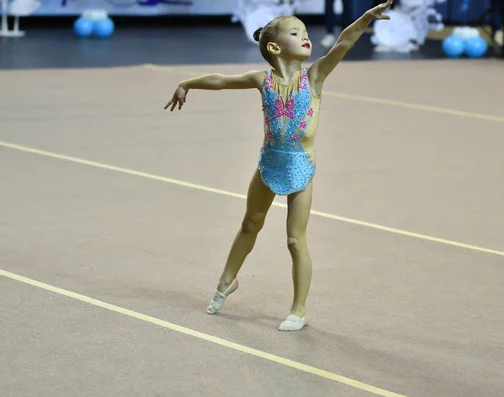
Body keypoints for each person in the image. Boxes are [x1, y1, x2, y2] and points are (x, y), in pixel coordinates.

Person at [163, 0, 393, 331]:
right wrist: (188, 83)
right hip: (269, 164)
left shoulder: (314, 77)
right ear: (274, 47)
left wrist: (365, 19)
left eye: (305, 31)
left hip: (301, 169)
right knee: (249, 225)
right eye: (295, 32)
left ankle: (298, 310)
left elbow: (343, 42)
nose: (305, 36)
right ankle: (227, 281)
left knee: (295, 239)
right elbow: (221, 81)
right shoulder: (263, 80)